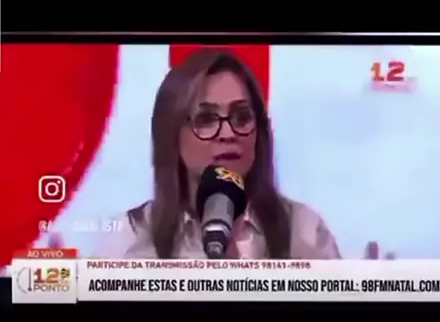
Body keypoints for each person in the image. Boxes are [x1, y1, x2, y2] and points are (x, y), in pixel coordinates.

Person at [93, 48, 341, 260]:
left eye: (242, 117)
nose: (228, 133)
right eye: (206, 119)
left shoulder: (303, 231)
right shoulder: (131, 237)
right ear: (173, 134)